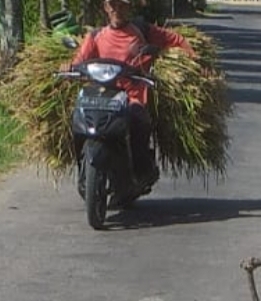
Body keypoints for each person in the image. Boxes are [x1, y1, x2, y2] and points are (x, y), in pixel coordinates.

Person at [72, 0, 196, 186]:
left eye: (122, 5)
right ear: (106, 8)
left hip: (132, 96)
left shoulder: (142, 31)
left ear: (129, 8)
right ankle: (81, 165)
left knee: (138, 119)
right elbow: (79, 62)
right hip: (101, 97)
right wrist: (70, 68)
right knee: (77, 117)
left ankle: (141, 169)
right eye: (113, 5)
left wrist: (193, 58)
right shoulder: (96, 37)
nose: (117, 10)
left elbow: (176, 40)